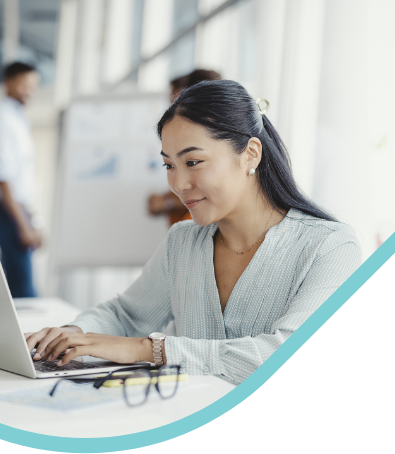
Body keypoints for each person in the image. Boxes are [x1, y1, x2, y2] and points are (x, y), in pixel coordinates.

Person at [26, 80, 362, 385]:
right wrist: (70, 335)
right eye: (169, 165)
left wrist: (150, 350)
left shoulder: (330, 247)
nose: (178, 184)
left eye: (192, 162)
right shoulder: (183, 241)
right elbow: (126, 315)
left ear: (250, 154)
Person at [0, 62, 42, 298]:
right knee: (24, 293)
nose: (30, 91)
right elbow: (3, 179)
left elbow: (22, 180)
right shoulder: (2, 120)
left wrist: (32, 222)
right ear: (8, 82)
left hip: (18, 211)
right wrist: (23, 225)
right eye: (24, 84)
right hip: (7, 212)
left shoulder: (18, 119)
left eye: (34, 86)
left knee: (15, 289)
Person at [148, 69, 223, 226]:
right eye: (169, 165)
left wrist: (167, 203)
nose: (173, 111)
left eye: (176, 101)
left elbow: (214, 192)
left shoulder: (215, 140)